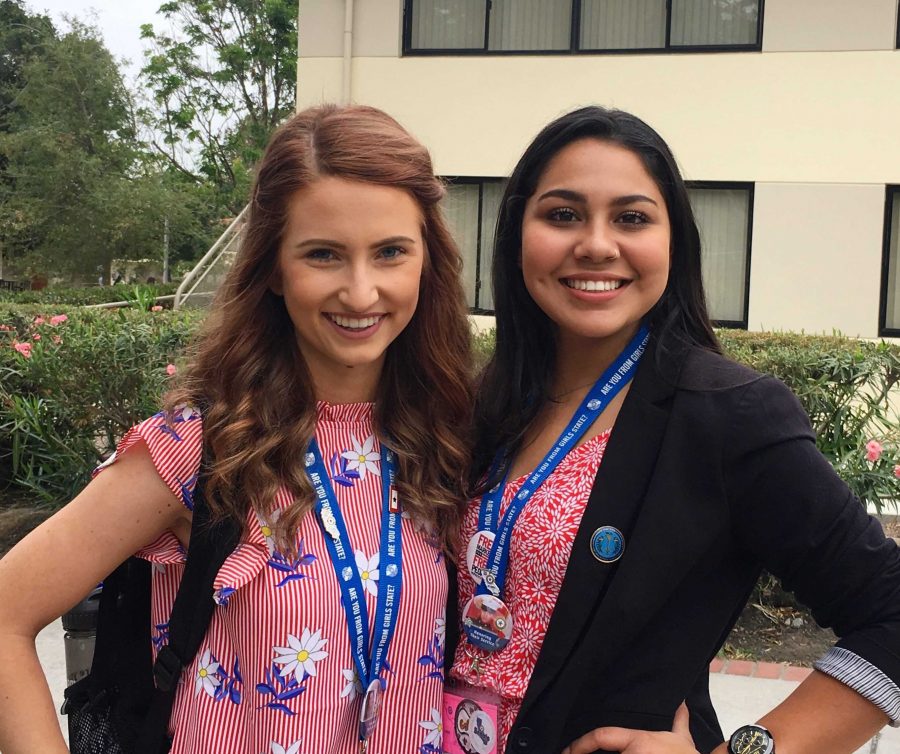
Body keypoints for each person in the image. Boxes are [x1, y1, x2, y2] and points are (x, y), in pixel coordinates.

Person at [0, 103, 472, 754]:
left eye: (390, 252)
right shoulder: (198, 448)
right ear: (275, 267)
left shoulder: (447, 440)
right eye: (324, 255)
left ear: (427, 261)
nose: (361, 291)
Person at [445, 106, 900, 754]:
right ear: (518, 232)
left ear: (674, 240)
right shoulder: (483, 404)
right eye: (563, 214)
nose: (596, 244)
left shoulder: (729, 416)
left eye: (631, 218)